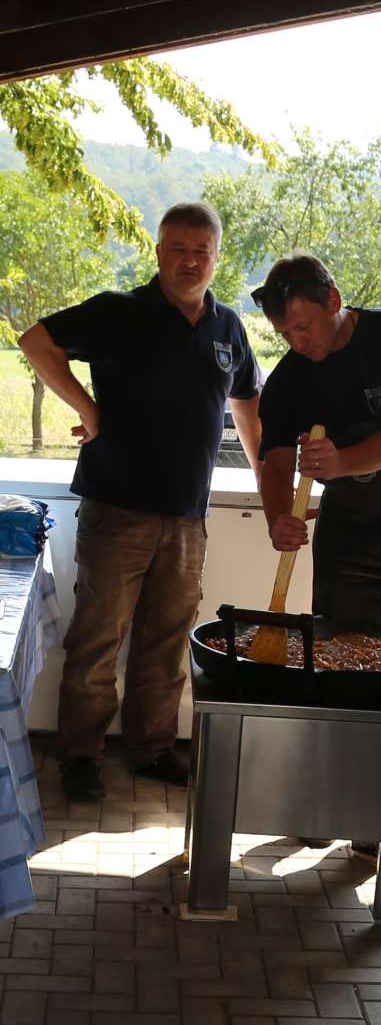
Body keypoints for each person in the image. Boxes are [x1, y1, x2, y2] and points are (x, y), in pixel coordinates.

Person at [19, 202, 263, 802]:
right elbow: (35, 341)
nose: (190, 261)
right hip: (117, 506)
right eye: (178, 249)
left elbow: (250, 407)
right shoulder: (118, 312)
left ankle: (152, 749)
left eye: (201, 251)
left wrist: (271, 492)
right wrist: (89, 410)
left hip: (188, 516)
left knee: (165, 640)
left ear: (216, 257)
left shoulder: (227, 328)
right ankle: (80, 754)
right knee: (99, 639)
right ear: (157, 252)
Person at [253, 253, 381, 643]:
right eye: (285, 334)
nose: (298, 342)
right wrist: (277, 517)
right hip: (346, 527)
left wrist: (340, 462)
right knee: (337, 647)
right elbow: (278, 466)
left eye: (304, 326)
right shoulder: (287, 382)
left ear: (333, 300)